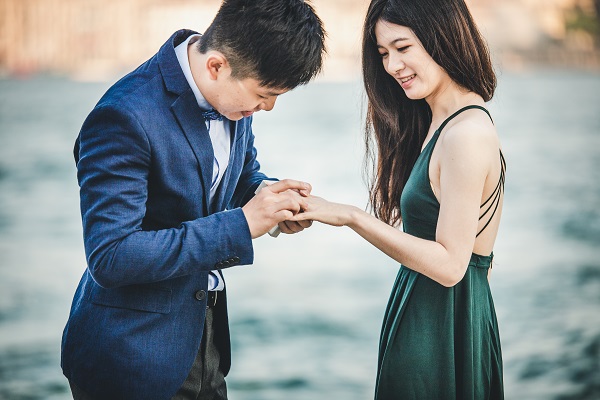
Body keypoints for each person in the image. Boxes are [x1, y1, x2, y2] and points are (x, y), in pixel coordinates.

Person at [60, 1, 326, 399]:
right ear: (216, 66)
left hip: (205, 343)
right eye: (263, 94)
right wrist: (241, 225)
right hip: (129, 359)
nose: (267, 107)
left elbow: (237, 174)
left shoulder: (232, 96)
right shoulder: (123, 116)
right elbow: (111, 256)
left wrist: (268, 199)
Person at [291, 0, 505, 398]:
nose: (392, 66)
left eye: (403, 48)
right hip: (436, 320)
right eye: (384, 54)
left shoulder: (465, 134)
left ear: (443, 36)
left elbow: (452, 266)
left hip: (439, 332)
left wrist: (351, 217)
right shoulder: (438, 123)